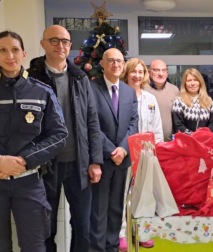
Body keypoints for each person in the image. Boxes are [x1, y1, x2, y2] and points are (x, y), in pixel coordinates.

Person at [0, 30, 68, 252]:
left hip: (29, 183)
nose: (10, 56)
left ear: (24, 54)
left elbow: (59, 135)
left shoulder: (41, 92)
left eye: (15, 50)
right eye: (3, 50)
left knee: (35, 246)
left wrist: (23, 160)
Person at [27, 25, 103, 252]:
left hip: (79, 164)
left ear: (70, 46)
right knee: (46, 226)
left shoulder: (80, 78)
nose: (61, 46)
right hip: (45, 165)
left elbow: (92, 121)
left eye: (66, 42)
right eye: (55, 41)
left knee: (83, 227)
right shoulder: (31, 79)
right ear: (43, 44)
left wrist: (95, 160)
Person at [89, 48, 138, 252]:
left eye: (119, 61)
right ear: (102, 63)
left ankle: (112, 246)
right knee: (98, 210)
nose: (116, 64)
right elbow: (90, 124)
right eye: (111, 60)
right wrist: (112, 150)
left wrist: (123, 150)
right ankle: (98, 248)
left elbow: (134, 124)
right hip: (101, 160)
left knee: (116, 208)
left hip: (122, 161)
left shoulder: (128, 91)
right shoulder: (91, 88)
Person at [118, 57, 161, 251]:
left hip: (146, 152)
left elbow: (156, 128)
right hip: (125, 152)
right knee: (121, 194)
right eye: (133, 71)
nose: (137, 75)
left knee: (145, 194)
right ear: (127, 73)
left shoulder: (150, 98)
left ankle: (144, 231)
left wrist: (156, 150)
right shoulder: (119, 95)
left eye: (140, 72)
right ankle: (121, 233)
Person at [172, 68, 213, 134]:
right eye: (189, 80)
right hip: (186, 142)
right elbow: (178, 126)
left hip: (205, 141)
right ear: (185, 83)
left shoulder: (208, 100)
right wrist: (194, 136)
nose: (192, 83)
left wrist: (204, 136)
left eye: (195, 80)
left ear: (200, 82)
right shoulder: (179, 101)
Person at [144, 59, 179, 141]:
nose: (160, 74)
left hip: (170, 143)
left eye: (163, 70)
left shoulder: (174, 90)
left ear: (167, 73)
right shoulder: (143, 90)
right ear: (149, 72)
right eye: (156, 70)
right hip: (148, 143)